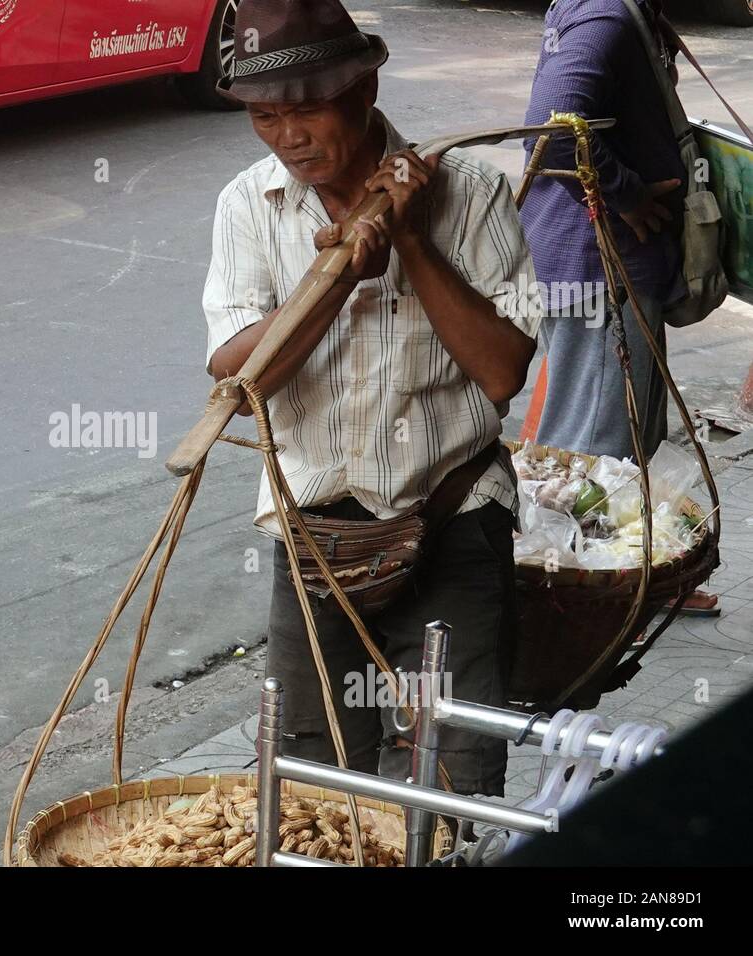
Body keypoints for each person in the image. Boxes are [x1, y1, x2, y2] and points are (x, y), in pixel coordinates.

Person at [203, 0, 539, 795]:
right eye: (263, 116)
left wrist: (412, 239)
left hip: (450, 520)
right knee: (310, 785)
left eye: (306, 111)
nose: (287, 138)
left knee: (442, 786)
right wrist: (340, 274)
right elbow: (239, 381)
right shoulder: (250, 204)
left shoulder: (472, 192)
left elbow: (501, 373)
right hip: (315, 541)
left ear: (363, 89)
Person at [522, 0, 718, 615]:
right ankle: (585, 600)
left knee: (627, 440)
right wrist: (627, 194)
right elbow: (553, 137)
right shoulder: (606, 15)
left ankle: (637, 577)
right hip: (597, 268)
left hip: (605, 267)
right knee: (595, 452)